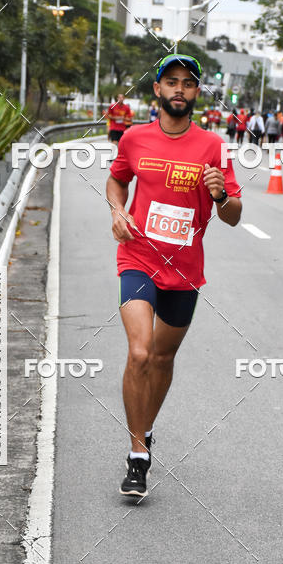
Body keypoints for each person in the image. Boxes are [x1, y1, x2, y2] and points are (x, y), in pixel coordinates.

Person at [106, 54, 242, 498]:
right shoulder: (134, 138)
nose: (179, 89)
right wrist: (117, 210)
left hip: (184, 270)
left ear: (196, 93)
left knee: (162, 360)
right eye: (171, 82)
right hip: (138, 257)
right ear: (158, 91)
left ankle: (146, 428)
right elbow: (117, 180)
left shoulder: (213, 147)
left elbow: (234, 218)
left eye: (188, 83)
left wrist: (221, 196)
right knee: (141, 352)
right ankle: (137, 454)